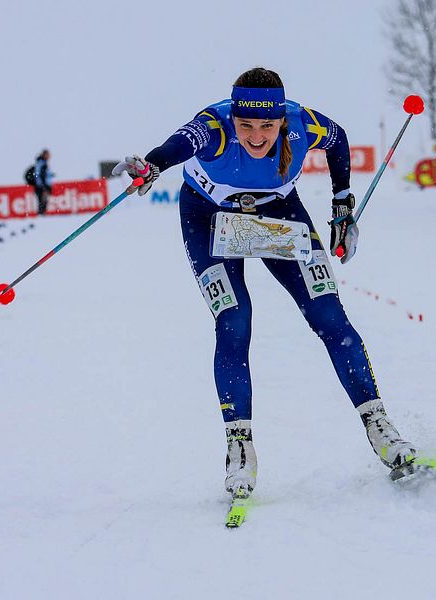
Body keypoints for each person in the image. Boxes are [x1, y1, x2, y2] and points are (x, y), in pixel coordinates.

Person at [113, 67, 416, 498]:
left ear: (281, 120)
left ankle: (380, 426)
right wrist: (153, 165)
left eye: (267, 125)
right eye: (247, 125)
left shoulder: (301, 123)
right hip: (208, 219)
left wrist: (342, 201)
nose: (257, 136)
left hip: (278, 216)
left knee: (329, 314)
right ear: (233, 118)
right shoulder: (214, 126)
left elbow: (338, 138)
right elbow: (178, 146)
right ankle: (239, 447)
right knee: (236, 319)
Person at [33, 149, 53, 215]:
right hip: (42, 186)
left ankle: (42, 213)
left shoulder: (42, 163)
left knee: (43, 201)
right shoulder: (42, 163)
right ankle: (41, 214)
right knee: (43, 201)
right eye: (47, 154)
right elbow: (40, 175)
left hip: (41, 185)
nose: (49, 156)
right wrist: (44, 186)